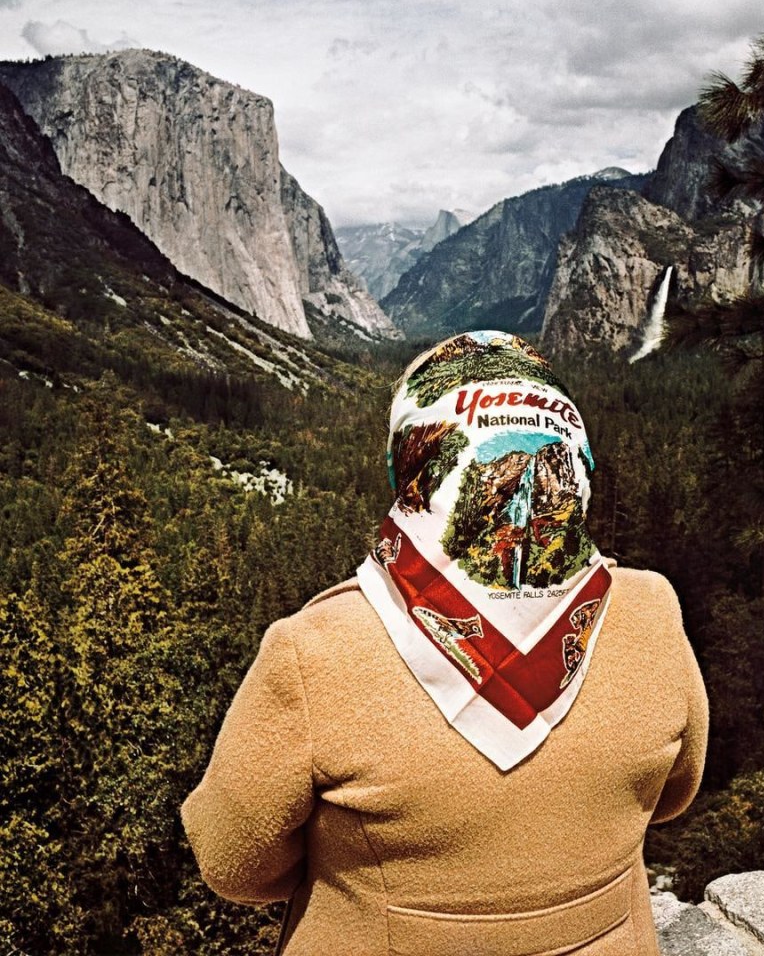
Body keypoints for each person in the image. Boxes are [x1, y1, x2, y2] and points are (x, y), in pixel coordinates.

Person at [182, 330, 708, 955]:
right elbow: (675, 793)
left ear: (411, 466)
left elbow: (235, 863)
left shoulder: (314, 652)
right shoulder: (651, 610)